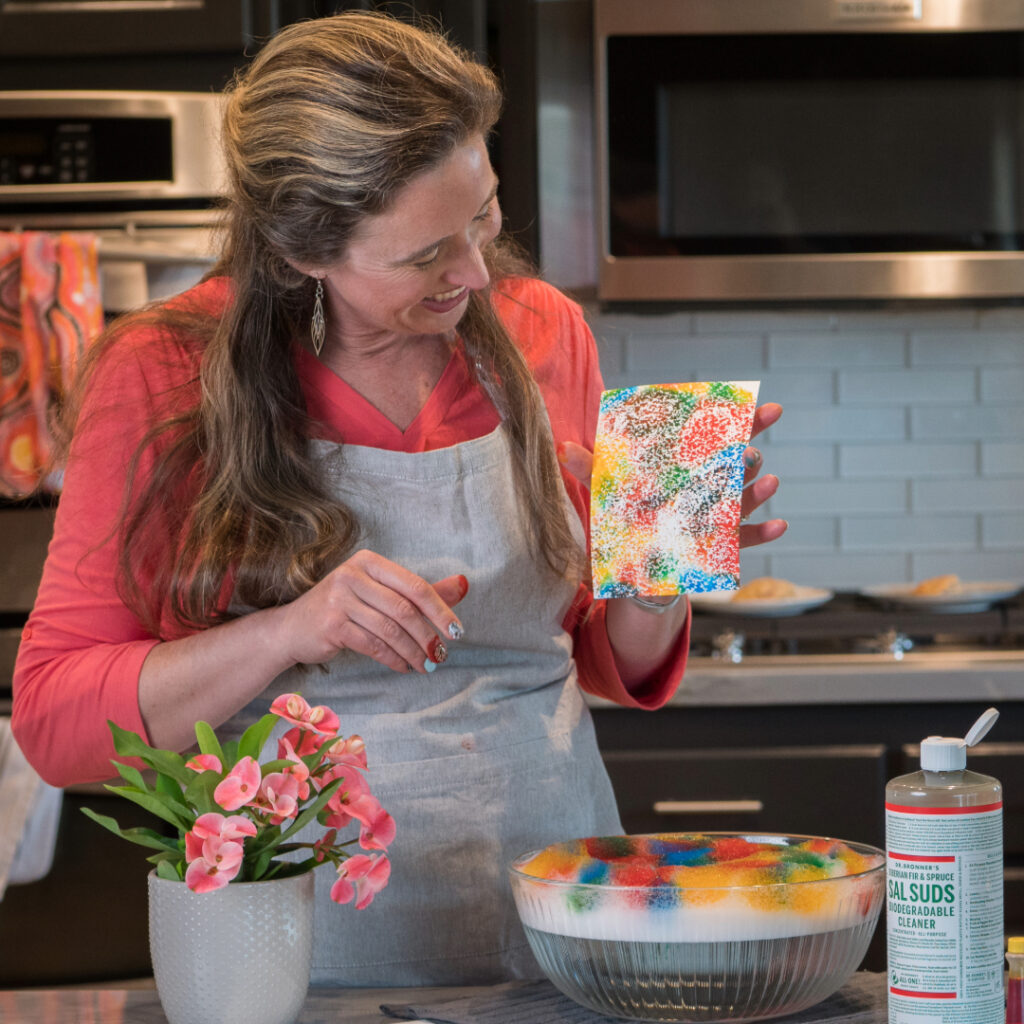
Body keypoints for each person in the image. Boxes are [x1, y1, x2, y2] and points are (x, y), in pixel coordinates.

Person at [12, 11, 786, 986]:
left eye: (484, 215)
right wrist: (290, 628)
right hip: (294, 958)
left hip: (557, 927)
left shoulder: (547, 329)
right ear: (301, 251)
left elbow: (596, 655)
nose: (474, 272)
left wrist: (662, 566)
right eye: (424, 255)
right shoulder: (163, 370)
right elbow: (54, 723)